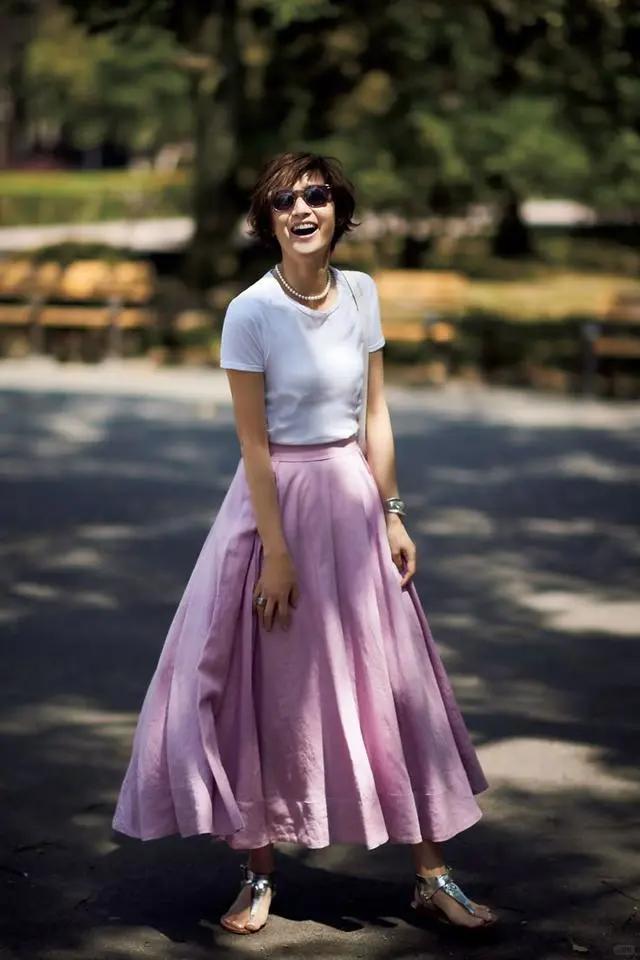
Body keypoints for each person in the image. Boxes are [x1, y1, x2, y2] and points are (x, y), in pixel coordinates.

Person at [111, 151, 497, 936]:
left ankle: (433, 876)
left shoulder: (361, 293)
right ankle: (258, 874)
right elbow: (254, 446)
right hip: (274, 509)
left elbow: (376, 415)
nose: (302, 209)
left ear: (339, 210)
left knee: (394, 683)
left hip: (352, 504)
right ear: (268, 220)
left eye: (316, 195)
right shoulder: (249, 312)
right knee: (264, 690)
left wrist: (393, 512)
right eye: (284, 200)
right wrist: (277, 554)